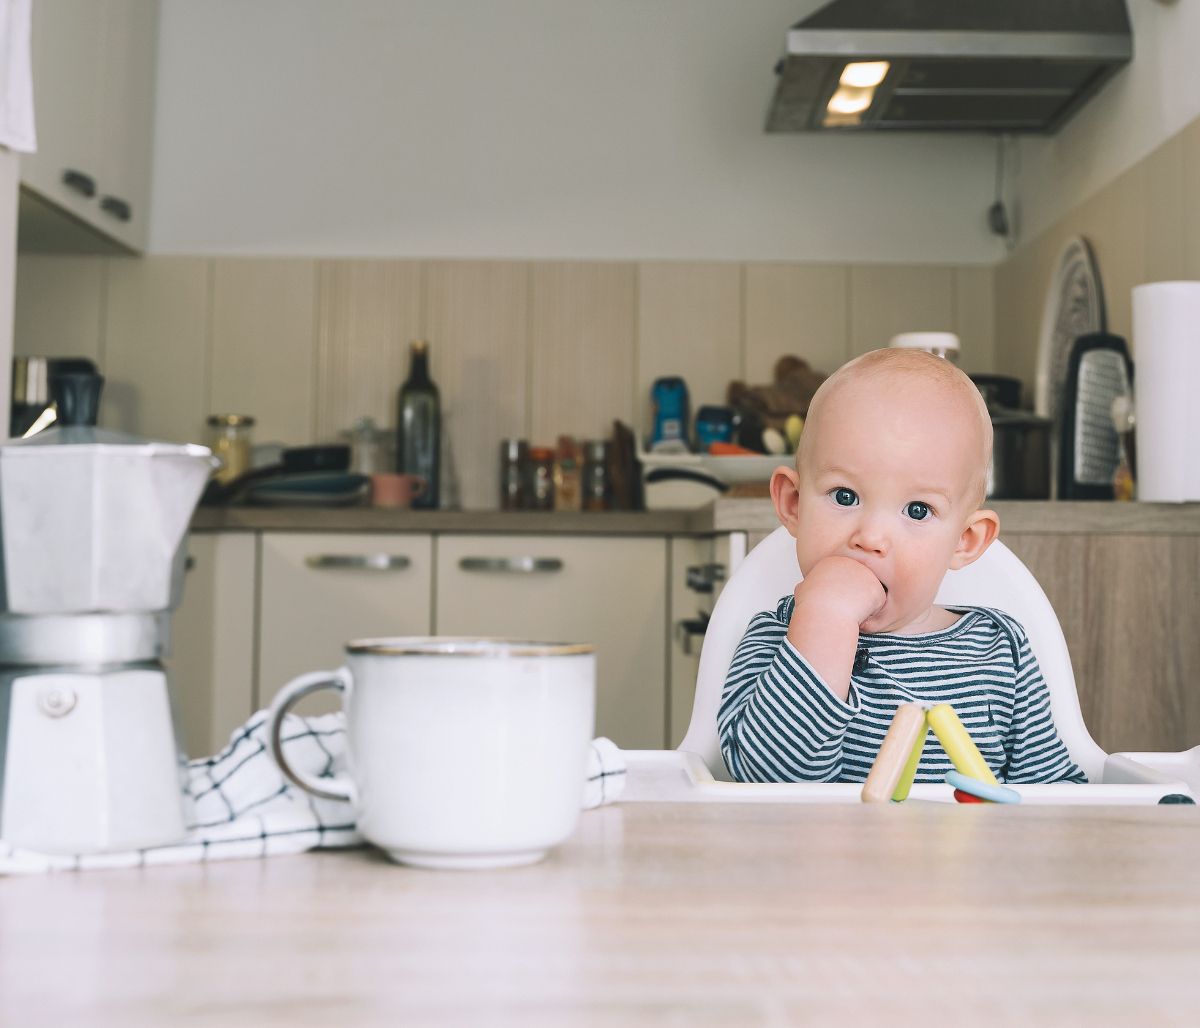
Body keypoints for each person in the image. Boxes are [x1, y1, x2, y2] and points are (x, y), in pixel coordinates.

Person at [719, 348, 1086, 785]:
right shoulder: (775, 639)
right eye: (844, 497)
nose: (871, 538)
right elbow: (770, 781)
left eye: (917, 510)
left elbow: (1055, 795)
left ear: (965, 541)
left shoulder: (1001, 652)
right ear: (793, 505)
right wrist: (825, 620)